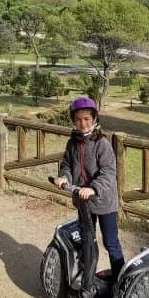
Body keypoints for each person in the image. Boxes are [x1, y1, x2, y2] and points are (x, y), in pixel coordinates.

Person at [53, 96, 124, 280]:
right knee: (86, 238)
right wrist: (64, 178)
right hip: (83, 202)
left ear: (94, 119)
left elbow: (109, 172)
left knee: (111, 242)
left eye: (86, 119)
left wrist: (93, 188)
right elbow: (67, 165)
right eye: (78, 119)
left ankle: (120, 278)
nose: (82, 123)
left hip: (103, 202)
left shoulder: (102, 144)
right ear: (73, 120)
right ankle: (87, 274)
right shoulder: (72, 143)